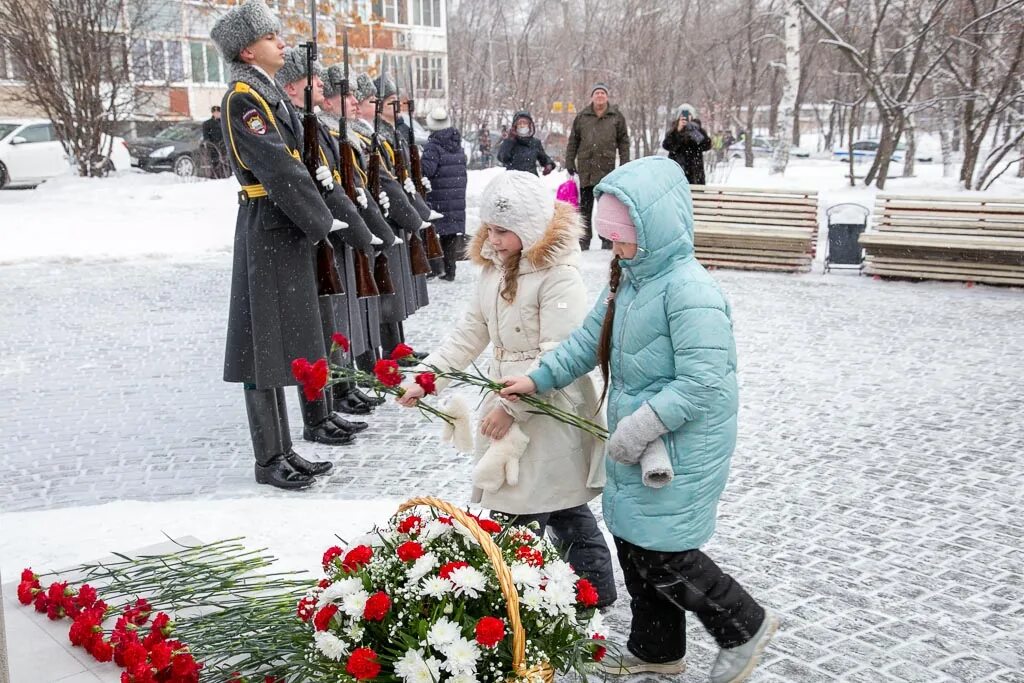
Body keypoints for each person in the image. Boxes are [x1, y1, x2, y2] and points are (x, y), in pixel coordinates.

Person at [500, 156, 778, 682]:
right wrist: (538, 379)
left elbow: (703, 383)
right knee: (635, 546)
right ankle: (657, 650)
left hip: (679, 444)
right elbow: (587, 342)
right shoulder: (629, 280)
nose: (614, 247)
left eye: (622, 237)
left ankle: (745, 624)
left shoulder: (690, 291)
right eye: (609, 238)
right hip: (639, 440)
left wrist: (639, 427)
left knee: (666, 555)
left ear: (655, 229)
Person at [396, 171, 617, 608]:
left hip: (546, 403)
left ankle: (520, 597)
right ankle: (587, 590)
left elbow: (559, 355)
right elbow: (469, 334)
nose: (491, 240)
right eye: (488, 229)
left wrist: (510, 410)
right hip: (508, 395)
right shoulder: (495, 271)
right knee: (556, 503)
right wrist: (426, 379)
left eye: (502, 231)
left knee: (524, 507)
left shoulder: (559, 277)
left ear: (530, 228)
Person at [211, 0, 342, 490]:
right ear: (248, 50)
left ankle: (284, 447)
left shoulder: (267, 94)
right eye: (271, 37)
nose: (281, 43)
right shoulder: (244, 99)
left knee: (285, 340)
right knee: (262, 344)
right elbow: (280, 168)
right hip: (268, 224)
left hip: (281, 227)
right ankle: (269, 458)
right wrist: (322, 222)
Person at [275, 48, 384, 429]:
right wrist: (350, 226)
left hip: (331, 227)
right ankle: (325, 402)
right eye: (314, 80)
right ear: (293, 86)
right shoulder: (295, 120)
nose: (320, 85)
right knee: (321, 321)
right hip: (318, 229)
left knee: (336, 316)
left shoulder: (318, 124)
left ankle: (338, 388)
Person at [565, 83, 630, 250]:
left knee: (607, 208)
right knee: (585, 208)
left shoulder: (616, 117)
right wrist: (570, 161)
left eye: (603, 93)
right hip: (586, 168)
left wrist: (624, 162)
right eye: (597, 93)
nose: (600, 96)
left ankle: (607, 239)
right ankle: (584, 240)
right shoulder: (582, 116)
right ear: (592, 97)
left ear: (607, 97)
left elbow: (623, 141)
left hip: (606, 170)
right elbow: (573, 141)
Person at [420, 107, 467, 281]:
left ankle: (435, 268)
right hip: (455, 197)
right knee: (450, 234)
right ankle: (450, 270)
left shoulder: (433, 146)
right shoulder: (457, 144)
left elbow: (427, 170)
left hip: (438, 197)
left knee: (433, 231)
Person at [662, 104, 712, 186]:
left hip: (695, 173)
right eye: (683, 116)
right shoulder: (673, 131)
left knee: (696, 196)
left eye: (688, 115)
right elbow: (667, 145)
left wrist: (694, 131)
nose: (685, 118)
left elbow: (707, 145)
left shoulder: (698, 130)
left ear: (692, 116)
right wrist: (678, 131)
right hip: (676, 171)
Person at [497, 111, 555, 176]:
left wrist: (548, 165)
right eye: (519, 123)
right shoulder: (511, 141)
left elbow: (544, 158)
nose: (522, 126)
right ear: (515, 126)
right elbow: (502, 158)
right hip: (512, 179)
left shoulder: (535, 143)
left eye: (525, 123)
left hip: (530, 179)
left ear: (529, 125)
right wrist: (509, 141)